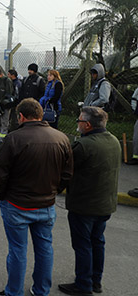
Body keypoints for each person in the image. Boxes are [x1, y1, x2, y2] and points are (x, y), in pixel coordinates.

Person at [0, 98, 73, 296]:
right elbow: (67, 174)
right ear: (40, 115)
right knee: (44, 248)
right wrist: (53, 192)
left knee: (18, 250)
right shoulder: (62, 138)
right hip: (46, 205)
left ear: (21, 116)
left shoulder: (14, 139)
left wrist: (2, 196)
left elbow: (0, 173)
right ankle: (41, 290)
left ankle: (14, 292)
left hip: (17, 204)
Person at [57, 107, 120, 296]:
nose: (77, 124)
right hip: (105, 204)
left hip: (84, 205)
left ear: (87, 125)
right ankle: (95, 281)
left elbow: (65, 170)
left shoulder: (84, 145)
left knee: (83, 244)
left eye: (79, 121)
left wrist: (53, 190)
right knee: (97, 242)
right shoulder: (114, 140)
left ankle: (83, 284)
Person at [0, 68, 14, 147]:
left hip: (5, 105)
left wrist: (1, 102)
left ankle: (3, 139)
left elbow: (9, 93)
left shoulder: (7, 81)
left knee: (4, 122)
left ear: (1, 74)